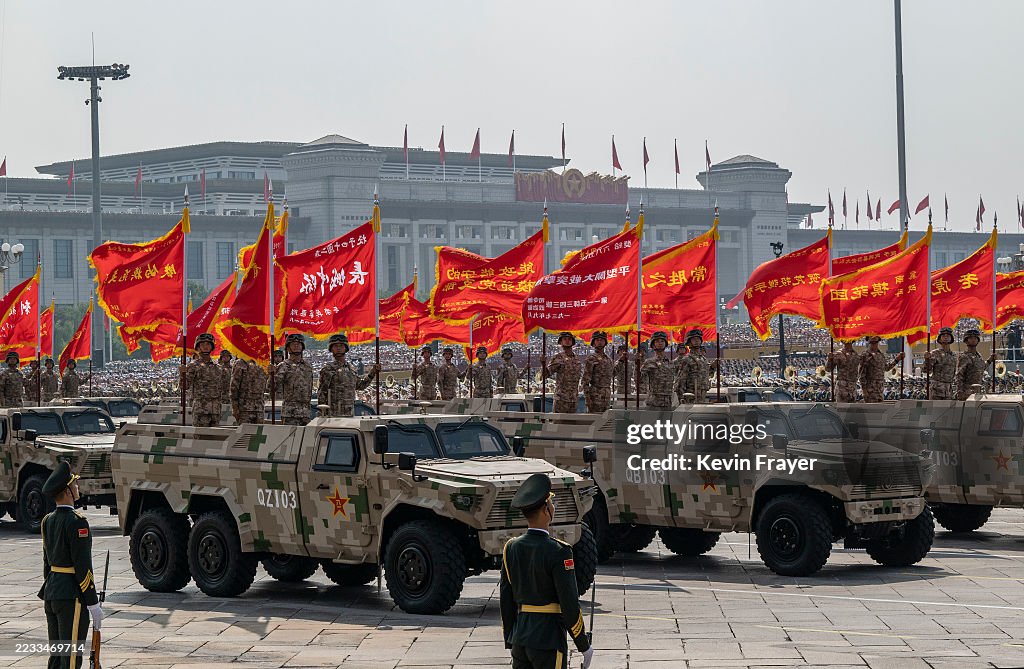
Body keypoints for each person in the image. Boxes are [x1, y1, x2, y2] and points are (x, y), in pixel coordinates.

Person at [499, 473, 593, 669]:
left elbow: (506, 600)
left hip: (520, 638)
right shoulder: (559, 551)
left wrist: (511, 636)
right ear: (546, 510)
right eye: (551, 503)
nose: (553, 506)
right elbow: (569, 603)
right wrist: (583, 645)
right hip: (548, 640)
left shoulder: (511, 547)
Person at [38, 461, 102, 669]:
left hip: (52, 593)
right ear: (67, 491)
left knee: (57, 657)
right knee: (71, 658)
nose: (77, 488)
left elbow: (47, 564)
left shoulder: (47, 520)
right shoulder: (77, 522)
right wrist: (93, 603)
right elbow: (83, 566)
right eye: (74, 485)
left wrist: (51, 588)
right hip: (71, 598)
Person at [317, 333, 378, 417]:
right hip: (333, 414)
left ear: (345, 348)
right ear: (331, 349)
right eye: (335, 346)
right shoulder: (328, 369)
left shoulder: (351, 369)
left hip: (350, 413)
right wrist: (322, 413)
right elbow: (322, 393)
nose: (338, 348)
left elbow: (360, 385)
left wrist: (373, 372)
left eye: (341, 346)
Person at [181, 333, 225, 427]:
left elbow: (223, 388)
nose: (205, 347)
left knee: (215, 438)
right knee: (200, 439)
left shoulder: (218, 367)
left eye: (208, 344)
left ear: (212, 347)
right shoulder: (193, 366)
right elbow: (184, 386)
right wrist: (182, 374)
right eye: (203, 344)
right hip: (201, 410)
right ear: (198, 347)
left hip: (215, 410)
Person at [274, 333, 315, 425]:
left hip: (305, 412)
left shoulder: (308, 366)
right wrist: (272, 375)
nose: (296, 346)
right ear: (288, 348)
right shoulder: (283, 366)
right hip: (290, 413)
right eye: (293, 344)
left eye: (299, 344)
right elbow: (274, 387)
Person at [675, 329, 719, 404]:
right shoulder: (687, 359)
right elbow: (681, 381)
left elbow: (706, 374)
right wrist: (682, 398)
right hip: (690, 395)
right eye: (694, 339)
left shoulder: (703, 359)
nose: (696, 341)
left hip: (702, 393)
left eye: (698, 339)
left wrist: (712, 367)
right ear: (689, 342)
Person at [544, 332, 582, 413]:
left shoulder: (577, 359)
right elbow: (546, 375)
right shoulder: (557, 357)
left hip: (573, 399)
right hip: (561, 398)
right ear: (560, 342)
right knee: (558, 423)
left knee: (571, 423)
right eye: (564, 339)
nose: (567, 341)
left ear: (573, 342)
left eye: (569, 339)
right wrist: (543, 364)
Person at [859, 336, 903, 403]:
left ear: (878, 342)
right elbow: (862, 374)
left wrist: (897, 360)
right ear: (868, 342)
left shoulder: (881, 355)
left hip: (880, 389)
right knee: (870, 410)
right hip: (870, 390)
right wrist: (864, 390)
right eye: (871, 342)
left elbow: (886, 368)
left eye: (875, 342)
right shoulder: (865, 355)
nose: (873, 344)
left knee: (879, 410)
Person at [641, 331, 676, 409]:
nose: (660, 343)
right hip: (654, 401)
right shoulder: (649, 362)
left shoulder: (670, 363)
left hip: (667, 401)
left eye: (662, 341)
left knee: (667, 421)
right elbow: (640, 380)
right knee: (652, 421)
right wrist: (638, 365)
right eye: (657, 341)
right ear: (653, 345)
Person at [956, 328, 994, 400]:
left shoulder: (978, 356)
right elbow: (959, 375)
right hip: (967, 391)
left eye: (975, 338)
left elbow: (981, 368)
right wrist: (960, 392)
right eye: (970, 338)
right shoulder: (964, 356)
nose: (973, 340)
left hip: (978, 390)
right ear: (966, 340)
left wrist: (990, 360)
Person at [581, 331, 613, 413]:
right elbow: (585, 381)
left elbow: (612, 374)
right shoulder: (591, 358)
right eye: (597, 340)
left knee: (605, 422)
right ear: (593, 343)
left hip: (606, 396)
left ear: (605, 342)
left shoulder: (608, 359)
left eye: (602, 340)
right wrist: (587, 399)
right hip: (595, 396)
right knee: (594, 422)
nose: (600, 342)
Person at [230, 357, 267, 424]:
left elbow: (267, 385)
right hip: (244, 408)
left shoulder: (263, 363)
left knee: (258, 432)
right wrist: (234, 406)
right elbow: (234, 386)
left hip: (259, 408)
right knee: (244, 433)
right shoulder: (240, 363)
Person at [923, 327, 957, 400]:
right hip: (937, 389)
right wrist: (926, 360)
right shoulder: (935, 353)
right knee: (935, 410)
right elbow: (926, 370)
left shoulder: (954, 355)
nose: (945, 337)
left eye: (948, 335)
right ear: (939, 339)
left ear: (951, 338)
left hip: (948, 390)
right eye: (943, 336)